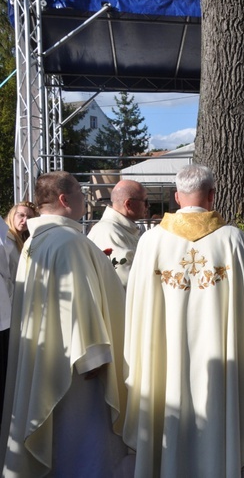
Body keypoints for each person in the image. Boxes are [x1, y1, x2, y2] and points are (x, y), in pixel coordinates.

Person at [122, 164, 244, 477]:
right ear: (213, 195)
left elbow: (135, 303)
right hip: (221, 361)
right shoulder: (232, 240)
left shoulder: (151, 242)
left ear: (176, 196)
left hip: (165, 358)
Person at [1, 171, 129, 477]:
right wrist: (95, 359)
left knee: (60, 436)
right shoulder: (68, 241)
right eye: (81, 195)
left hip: (51, 355)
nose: (84, 201)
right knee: (82, 437)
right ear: (64, 199)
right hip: (77, 366)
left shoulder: (37, 241)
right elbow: (80, 302)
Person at [1, 202, 38, 412]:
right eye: (21, 215)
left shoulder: (23, 241)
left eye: (29, 217)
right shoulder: (6, 239)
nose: (24, 220)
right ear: (11, 215)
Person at [87, 180, 149, 288]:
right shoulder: (108, 231)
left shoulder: (121, 229)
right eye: (145, 202)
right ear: (128, 204)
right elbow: (125, 279)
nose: (148, 206)